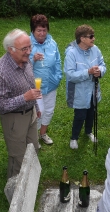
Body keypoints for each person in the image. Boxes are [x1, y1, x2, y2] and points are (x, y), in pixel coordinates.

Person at [0, 29, 42, 179]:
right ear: (10, 49)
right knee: (18, 158)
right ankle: (14, 193)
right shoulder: (1, 71)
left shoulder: (25, 60)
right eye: (24, 48)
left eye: (29, 47)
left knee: (34, 149)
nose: (29, 51)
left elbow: (30, 85)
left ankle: (29, 182)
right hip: (14, 119)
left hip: (30, 113)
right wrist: (24, 98)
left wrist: (36, 106)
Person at [64, 24, 106, 149]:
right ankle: (74, 138)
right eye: (91, 37)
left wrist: (100, 71)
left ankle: (88, 132)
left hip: (93, 90)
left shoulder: (95, 49)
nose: (94, 39)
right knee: (80, 115)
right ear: (82, 39)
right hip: (79, 92)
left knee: (91, 113)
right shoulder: (71, 54)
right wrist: (88, 72)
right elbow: (70, 75)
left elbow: (102, 64)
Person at [29, 14, 62, 145]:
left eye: (44, 30)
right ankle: (33, 136)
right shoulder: (27, 44)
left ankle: (43, 134)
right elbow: (20, 65)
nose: (42, 33)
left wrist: (58, 77)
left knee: (49, 110)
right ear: (33, 31)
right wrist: (33, 59)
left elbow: (58, 61)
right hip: (35, 86)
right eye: (39, 30)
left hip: (51, 84)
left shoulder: (52, 43)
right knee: (38, 112)